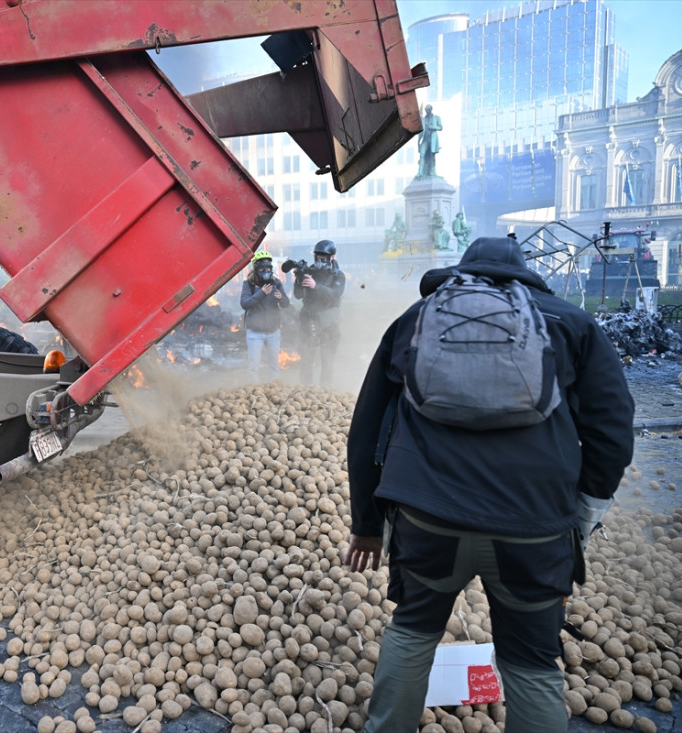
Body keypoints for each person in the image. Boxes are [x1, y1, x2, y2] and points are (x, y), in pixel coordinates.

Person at [344, 237, 635, 733]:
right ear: (525, 275)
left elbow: (366, 427)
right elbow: (612, 429)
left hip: (427, 518)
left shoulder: (416, 320)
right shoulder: (572, 324)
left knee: (413, 633)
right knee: (531, 663)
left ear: (462, 271)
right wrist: (582, 512)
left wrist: (367, 525)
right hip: (535, 527)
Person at [293, 240, 346, 386]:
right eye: (318, 256)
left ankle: (325, 392)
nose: (320, 260)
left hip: (329, 323)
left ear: (332, 256)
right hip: (309, 321)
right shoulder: (310, 272)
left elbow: (335, 294)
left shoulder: (338, 275)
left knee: (327, 360)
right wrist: (298, 280)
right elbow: (298, 295)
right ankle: (305, 390)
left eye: (324, 257)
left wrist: (315, 286)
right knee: (306, 360)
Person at [239, 250, 291, 381]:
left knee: (274, 366)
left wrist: (281, 298)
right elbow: (244, 303)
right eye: (262, 268)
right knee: (253, 367)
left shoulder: (277, 283)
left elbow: (286, 303)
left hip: (273, 331)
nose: (266, 271)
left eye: (268, 268)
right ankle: (254, 393)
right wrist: (261, 292)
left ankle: (273, 392)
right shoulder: (249, 284)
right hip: (255, 333)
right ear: (256, 268)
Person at [416, 105, 442, 178]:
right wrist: (418, 139)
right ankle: (420, 172)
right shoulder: (423, 119)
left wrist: (433, 127)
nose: (427, 111)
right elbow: (421, 130)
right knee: (422, 154)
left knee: (432, 156)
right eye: (426, 109)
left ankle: (432, 172)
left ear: (431, 109)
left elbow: (440, 127)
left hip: (433, 139)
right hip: (425, 139)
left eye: (428, 109)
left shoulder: (436, 118)